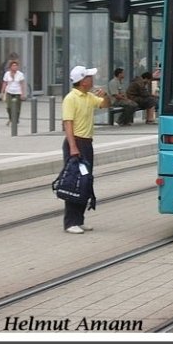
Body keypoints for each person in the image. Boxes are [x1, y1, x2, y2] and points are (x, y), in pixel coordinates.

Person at [61, 65, 111, 234]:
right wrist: (73, 147)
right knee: (73, 182)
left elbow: (105, 105)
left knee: (85, 181)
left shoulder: (89, 97)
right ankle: (70, 222)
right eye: (89, 77)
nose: (92, 79)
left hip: (87, 143)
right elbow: (68, 124)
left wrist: (105, 96)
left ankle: (79, 220)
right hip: (75, 143)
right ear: (82, 81)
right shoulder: (71, 98)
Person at [0, 59, 26, 126]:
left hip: (17, 92)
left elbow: (22, 84)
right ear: (10, 67)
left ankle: (16, 120)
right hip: (9, 92)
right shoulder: (7, 74)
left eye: (16, 66)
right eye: (13, 66)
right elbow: (5, 83)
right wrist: (2, 92)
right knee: (9, 107)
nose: (15, 67)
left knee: (17, 108)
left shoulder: (20, 74)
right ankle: (11, 118)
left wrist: (22, 94)